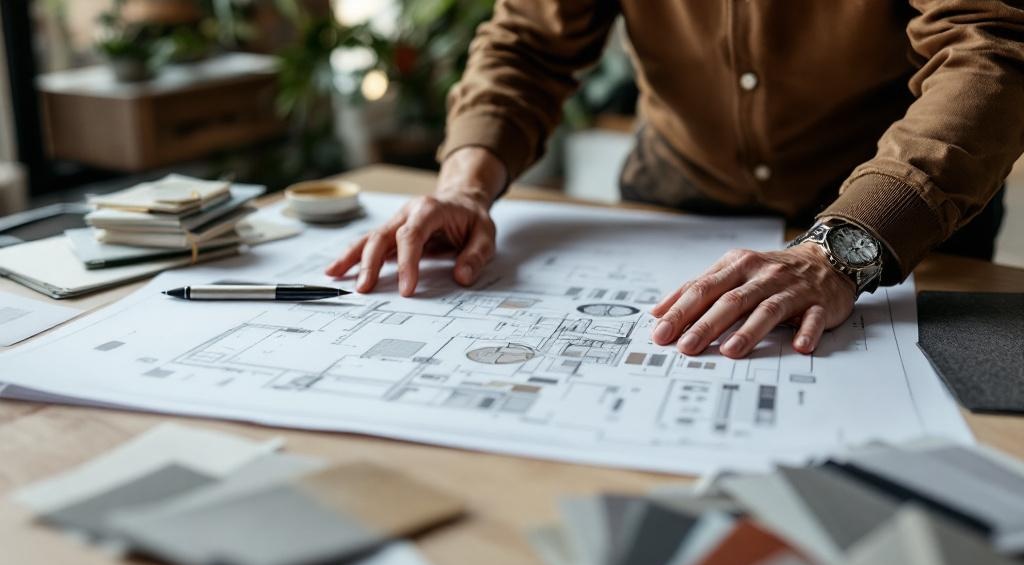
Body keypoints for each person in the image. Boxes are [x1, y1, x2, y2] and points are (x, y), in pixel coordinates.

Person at [326, 1, 1024, 359]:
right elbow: (529, 44)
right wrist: (463, 186)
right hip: (674, 202)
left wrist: (840, 249)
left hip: (894, 223)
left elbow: (990, 49)